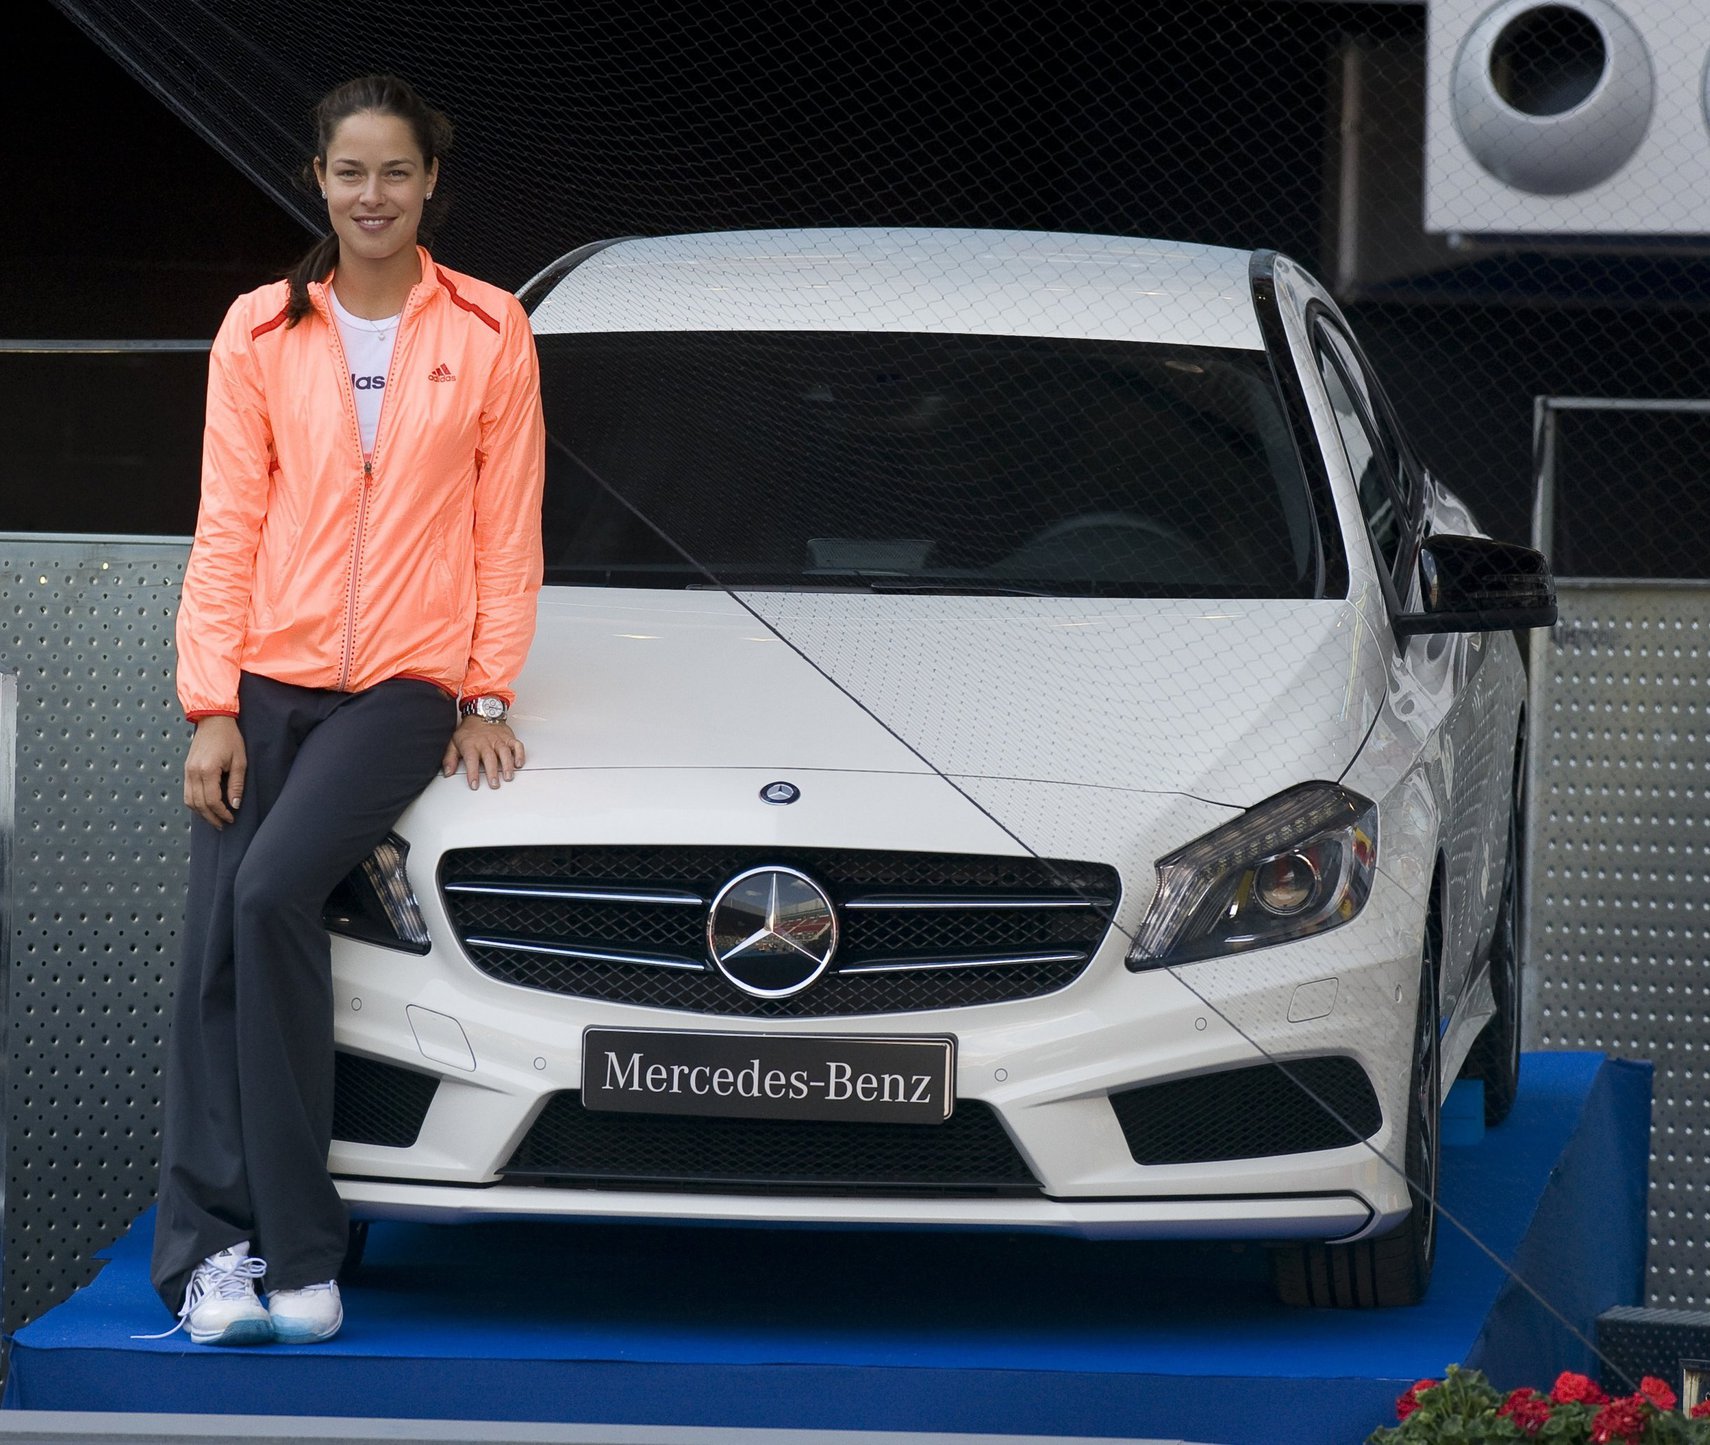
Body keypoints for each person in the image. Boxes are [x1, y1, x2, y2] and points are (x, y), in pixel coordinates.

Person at [148, 73, 544, 1346]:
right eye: (350, 171)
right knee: (216, 948)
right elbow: (228, 526)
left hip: (405, 684)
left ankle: (305, 1244)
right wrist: (212, 703)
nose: (373, 194)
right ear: (317, 178)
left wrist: (484, 684)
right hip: (265, 675)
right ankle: (211, 1256)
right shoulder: (260, 330)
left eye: (396, 172)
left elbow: (504, 527)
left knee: (269, 896)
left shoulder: (488, 331)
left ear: (433, 185)